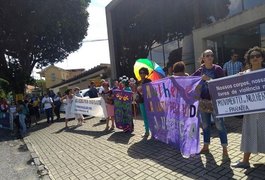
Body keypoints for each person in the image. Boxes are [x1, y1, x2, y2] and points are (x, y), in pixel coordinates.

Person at [192, 49, 229, 160]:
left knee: (220, 125)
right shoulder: (199, 70)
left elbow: (223, 84)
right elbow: (190, 80)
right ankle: (206, 146)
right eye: (207, 55)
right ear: (203, 58)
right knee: (205, 125)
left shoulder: (218, 69)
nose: (209, 57)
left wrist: (209, 79)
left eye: (211, 55)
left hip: (216, 103)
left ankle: (225, 150)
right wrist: (176, 78)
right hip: (203, 103)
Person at [231, 46, 265, 168]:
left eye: (258, 56)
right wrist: (238, 79)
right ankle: (245, 161)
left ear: (262, 58)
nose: (255, 58)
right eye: (252, 56)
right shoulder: (244, 74)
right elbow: (236, 90)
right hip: (250, 110)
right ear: (249, 60)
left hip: (264, 110)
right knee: (249, 132)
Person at [137, 67, 152, 138]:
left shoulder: (148, 81)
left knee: (150, 116)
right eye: (140, 72)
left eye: (143, 72)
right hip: (141, 101)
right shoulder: (139, 82)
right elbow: (137, 92)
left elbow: (151, 91)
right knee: (145, 117)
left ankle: (153, 132)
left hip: (148, 101)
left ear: (146, 73)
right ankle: (147, 132)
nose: (141, 74)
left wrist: (144, 91)